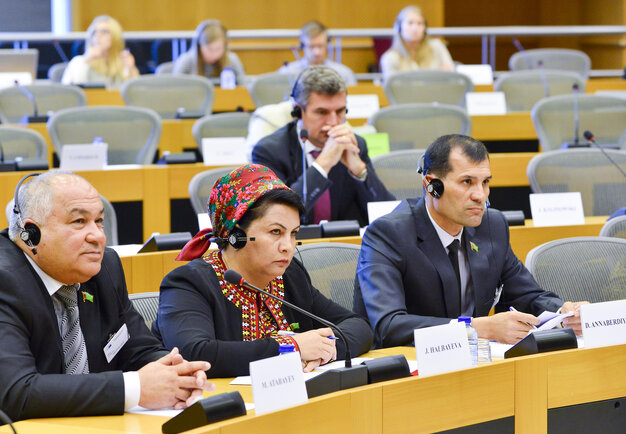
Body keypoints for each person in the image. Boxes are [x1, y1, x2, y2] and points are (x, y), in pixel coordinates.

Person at [0, 171, 213, 434]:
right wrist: (139, 387)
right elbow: (19, 392)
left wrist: (173, 372)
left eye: (99, 221)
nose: (98, 236)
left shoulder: (103, 268)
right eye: (79, 222)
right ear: (31, 232)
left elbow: (133, 345)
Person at [354, 134, 587, 348]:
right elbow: (389, 326)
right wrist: (476, 327)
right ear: (431, 186)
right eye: (467, 182)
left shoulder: (491, 226)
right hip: (410, 368)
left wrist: (563, 313)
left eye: (485, 182)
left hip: (475, 362)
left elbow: (527, 294)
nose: (480, 195)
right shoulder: (388, 234)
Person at [154, 164, 373, 378]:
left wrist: (324, 351)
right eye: (276, 232)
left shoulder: (289, 275)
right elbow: (195, 353)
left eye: (293, 233)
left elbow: (357, 326)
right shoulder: (188, 283)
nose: (288, 246)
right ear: (235, 236)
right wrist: (292, 347)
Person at [252, 65, 394, 225]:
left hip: (346, 246)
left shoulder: (354, 144)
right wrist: (323, 164)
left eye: (340, 111)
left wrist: (360, 172)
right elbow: (277, 217)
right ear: (298, 112)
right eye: (322, 112)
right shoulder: (270, 151)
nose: (333, 121)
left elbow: (389, 216)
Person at [61, 15, 139, 89]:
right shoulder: (79, 62)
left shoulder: (124, 61)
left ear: (115, 36)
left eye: (104, 32)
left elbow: (136, 93)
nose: (98, 36)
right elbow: (70, 92)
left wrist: (132, 69)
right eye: (94, 32)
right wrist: (86, 60)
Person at [379, 5, 455, 81]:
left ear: (425, 28)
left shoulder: (436, 47)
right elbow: (391, 88)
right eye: (410, 23)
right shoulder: (390, 58)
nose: (415, 29)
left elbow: (451, 76)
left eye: (419, 23)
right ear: (399, 27)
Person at [279, 20, 357, 86]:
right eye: (311, 46)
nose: (317, 52)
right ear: (302, 46)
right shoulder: (287, 73)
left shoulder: (343, 73)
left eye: (320, 46)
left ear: (327, 43)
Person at [172, 20, 246, 85]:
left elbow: (243, 88)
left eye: (218, 49)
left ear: (225, 46)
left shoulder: (232, 60)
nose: (214, 54)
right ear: (199, 46)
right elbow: (176, 90)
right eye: (209, 49)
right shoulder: (186, 62)